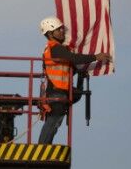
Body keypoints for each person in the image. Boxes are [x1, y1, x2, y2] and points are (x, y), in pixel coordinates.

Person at [37, 16, 111, 144]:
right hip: (56, 92)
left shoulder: (58, 49)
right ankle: (42, 147)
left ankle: (44, 146)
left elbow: (69, 67)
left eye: (61, 29)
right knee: (54, 120)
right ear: (50, 33)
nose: (62, 32)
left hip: (59, 91)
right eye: (58, 30)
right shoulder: (55, 48)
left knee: (55, 121)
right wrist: (96, 57)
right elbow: (73, 58)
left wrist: (80, 75)